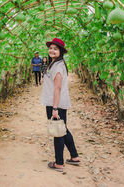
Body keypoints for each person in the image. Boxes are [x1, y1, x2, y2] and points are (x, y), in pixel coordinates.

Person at [41, 38, 80, 172]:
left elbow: (57, 88)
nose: (52, 50)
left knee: (58, 132)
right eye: (51, 48)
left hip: (56, 103)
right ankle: (74, 156)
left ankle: (59, 163)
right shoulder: (55, 63)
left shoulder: (58, 66)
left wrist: (55, 108)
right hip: (55, 102)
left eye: (55, 49)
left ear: (61, 52)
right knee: (62, 129)